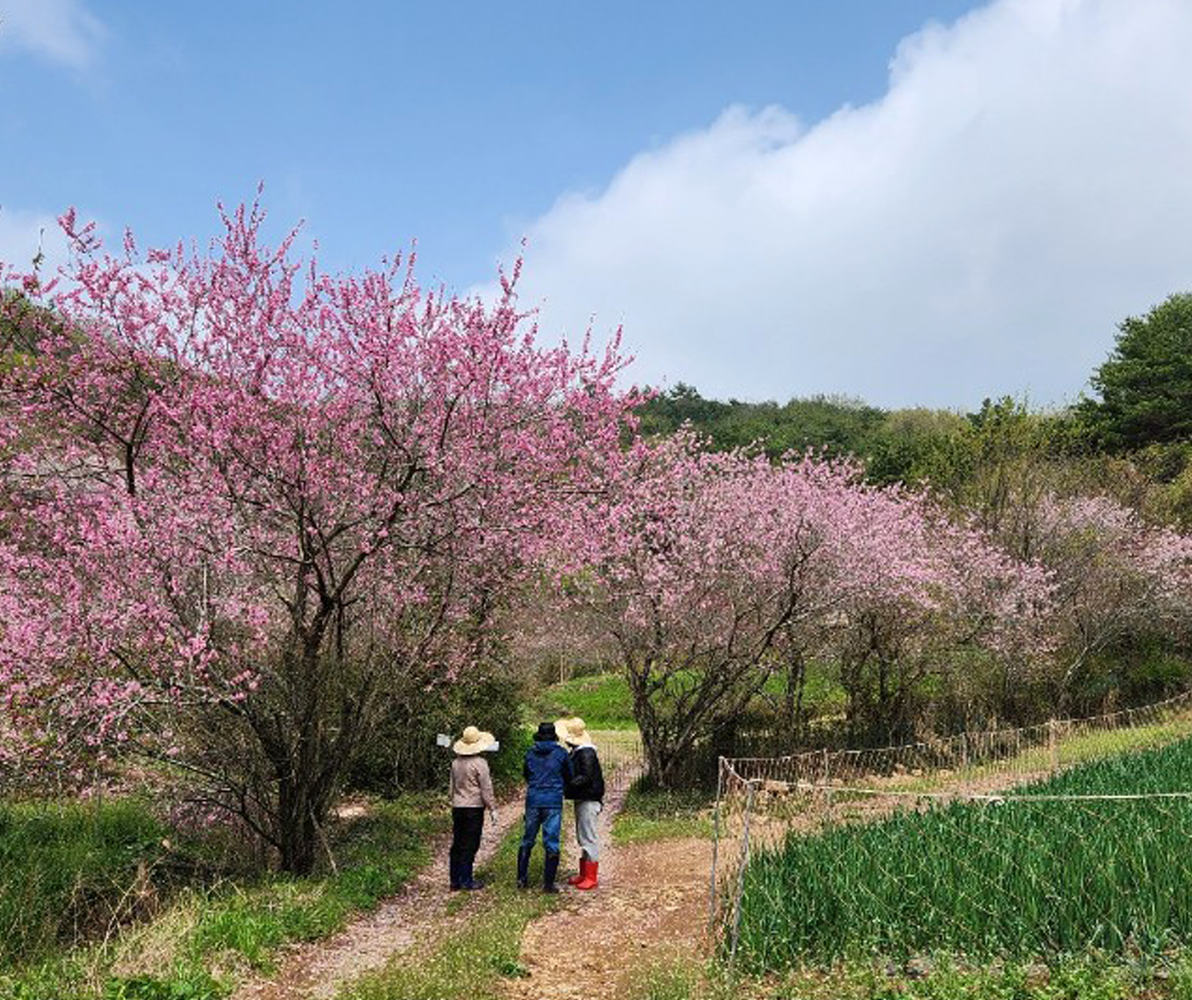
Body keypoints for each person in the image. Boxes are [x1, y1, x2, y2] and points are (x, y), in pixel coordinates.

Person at [518, 720, 572, 892]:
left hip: (533, 799)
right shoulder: (561, 754)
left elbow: (526, 774)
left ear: (539, 736)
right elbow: (569, 775)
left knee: (528, 839)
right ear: (554, 736)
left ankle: (521, 879)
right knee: (552, 842)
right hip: (553, 801)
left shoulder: (529, 753)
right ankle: (548, 884)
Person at [557, 716, 605, 890]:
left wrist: (566, 786)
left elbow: (585, 777)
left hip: (589, 799)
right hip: (583, 797)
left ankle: (591, 876)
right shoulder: (581, 751)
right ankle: (584, 872)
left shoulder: (586, 753)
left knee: (588, 837)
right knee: (582, 835)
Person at [449, 725, 498, 891]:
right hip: (473, 807)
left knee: (458, 842)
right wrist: (492, 808)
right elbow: (486, 788)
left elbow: (451, 787)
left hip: (458, 806)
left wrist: (454, 801)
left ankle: (454, 879)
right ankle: (467, 879)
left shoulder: (455, 763)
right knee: (471, 843)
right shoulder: (480, 763)